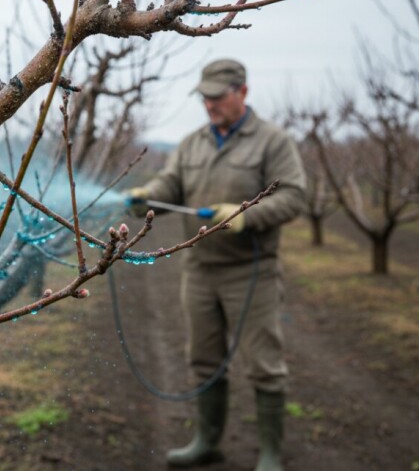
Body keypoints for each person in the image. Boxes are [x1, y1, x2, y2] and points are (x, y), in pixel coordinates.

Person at [126, 59, 306, 471]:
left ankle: (271, 454)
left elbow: (295, 196)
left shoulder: (272, 142)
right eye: (204, 98)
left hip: (251, 271)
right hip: (200, 270)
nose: (210, 105)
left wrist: (245, 214)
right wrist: (146, 196)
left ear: (243, 92)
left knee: (265, 364)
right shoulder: (192, 143)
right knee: (203, 359)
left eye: (218, 97)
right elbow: (170, 185)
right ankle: (207, 441)